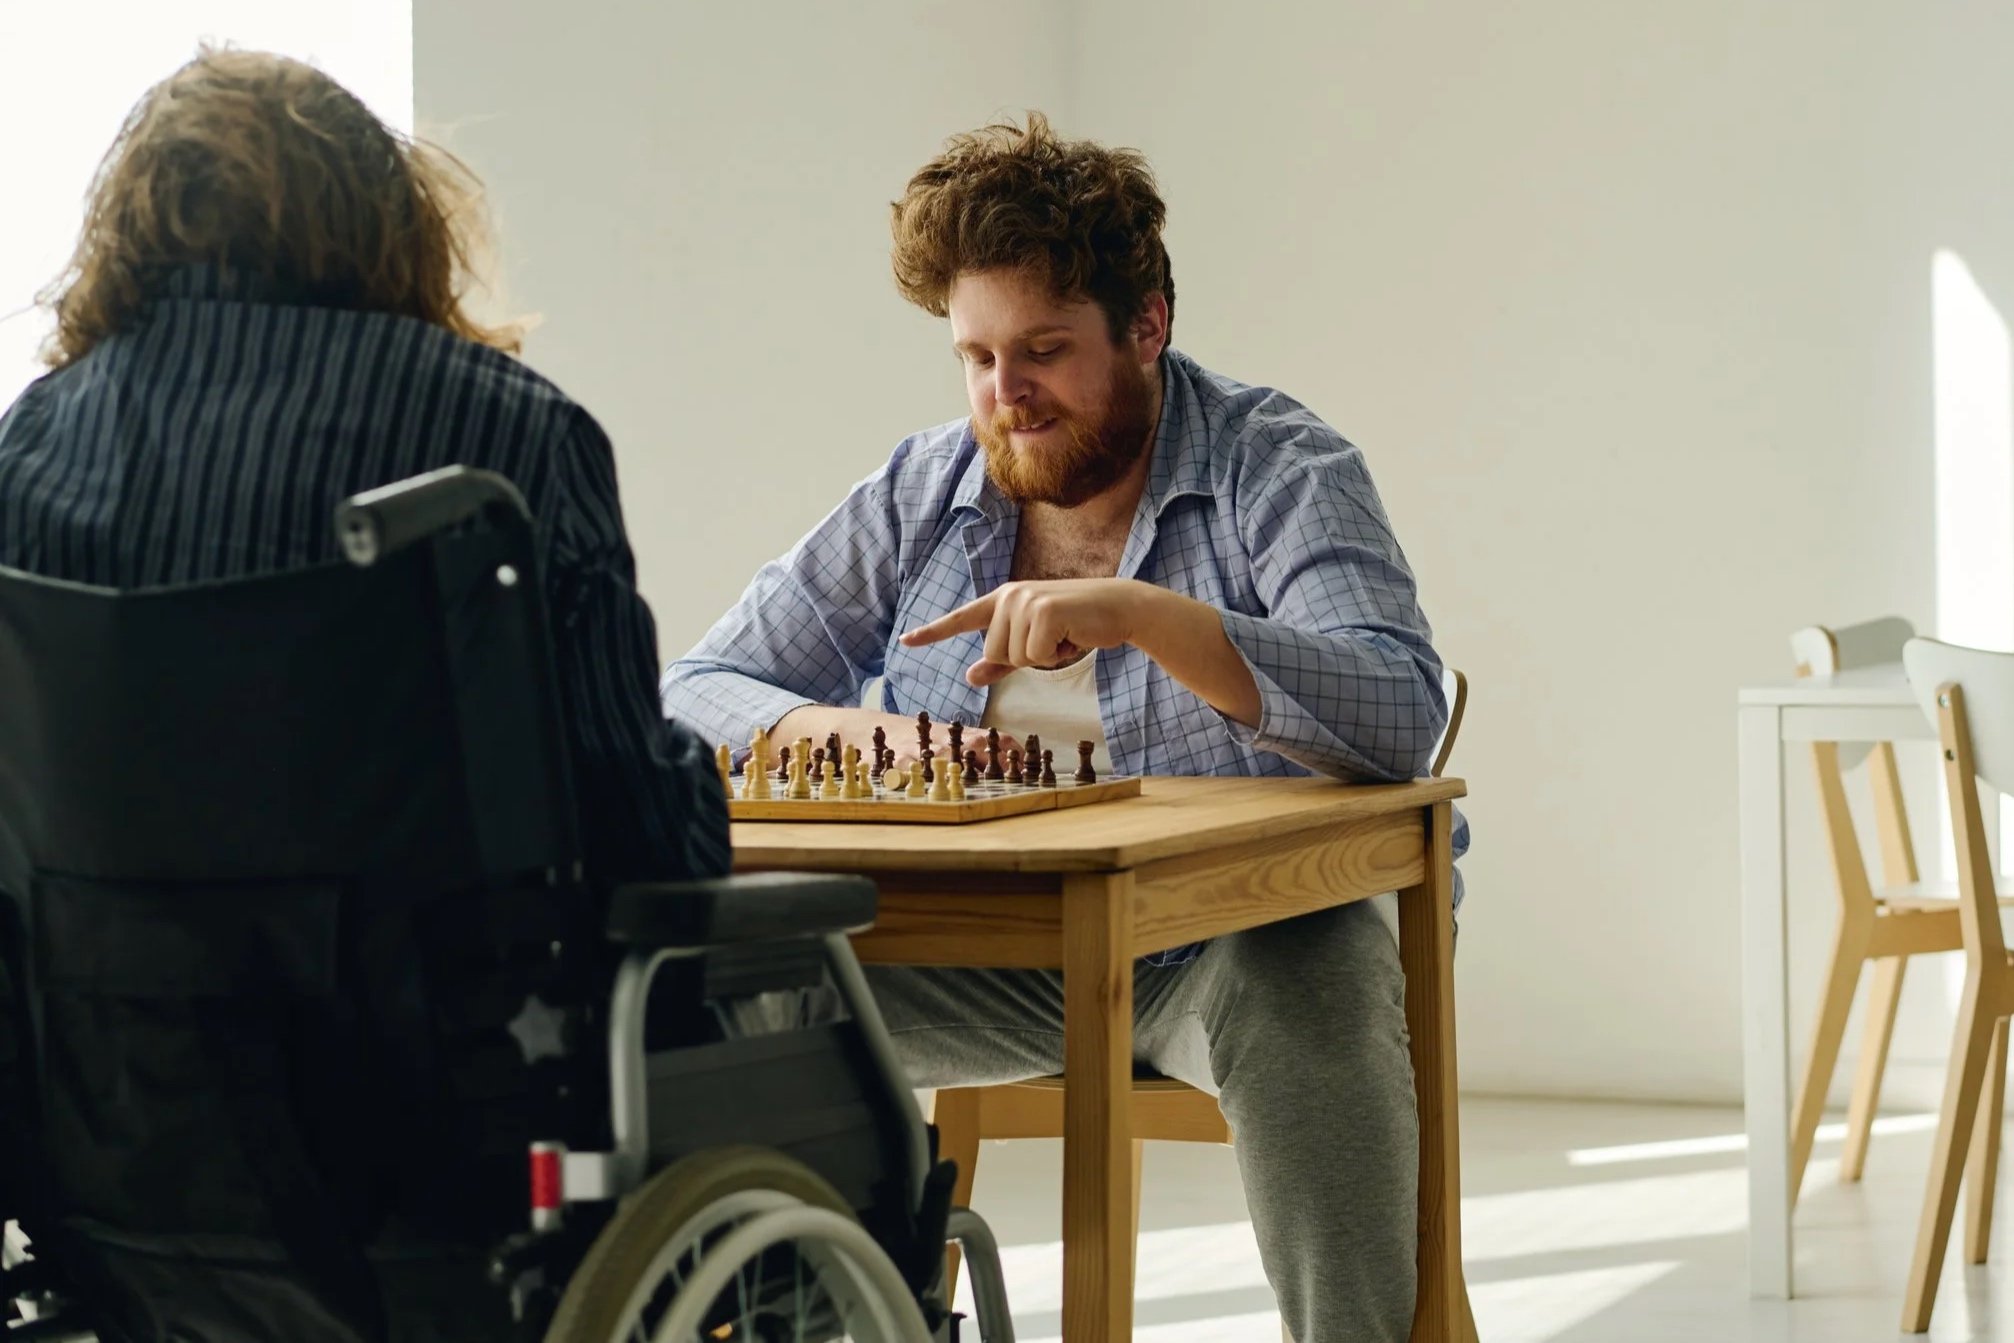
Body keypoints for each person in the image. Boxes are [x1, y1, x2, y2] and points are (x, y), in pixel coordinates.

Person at [662, 112, 1468, 1341]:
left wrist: (1149, 617)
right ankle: (853, 1318)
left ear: (1146, 325)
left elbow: (1399, 711)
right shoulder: (925, 487)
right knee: (733, 984)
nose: (1006, 395)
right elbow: (697, 682)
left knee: (1315, 974)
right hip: (1003, 954)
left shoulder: (1280, 466)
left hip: (1226, 947)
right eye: (976, 357)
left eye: (1042, 349)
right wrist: (842, 728)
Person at [0, 47, 728, 1340]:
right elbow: (627, 814)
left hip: (109, 1132)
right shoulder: (506, 437)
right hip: (437, 1133)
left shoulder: (32, 450)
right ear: (391, 220)